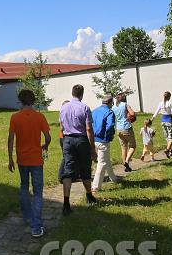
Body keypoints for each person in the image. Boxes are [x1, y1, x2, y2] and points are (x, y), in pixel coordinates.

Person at [8, 89, 52, 237]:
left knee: (24, 186)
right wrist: (45, 146)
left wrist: (10, 158)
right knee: (38, 191)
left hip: (22, 159)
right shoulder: (40, 117)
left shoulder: (15, 117)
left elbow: (10, 139)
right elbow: (47, 136)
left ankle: (27, 217)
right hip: (36, 159)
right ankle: (36, 225)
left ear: (20, 101)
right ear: (33, 101)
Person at [59, 84, 98, 215]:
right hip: (81, 139)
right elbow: (88, 129)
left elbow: (61, 125)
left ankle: (66, 202)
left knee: (68, 169)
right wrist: (92, 148)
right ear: (82, 94)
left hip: (67, 139)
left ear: (72, 93)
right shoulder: (85, 107)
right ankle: (89, 195)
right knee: (85, 167)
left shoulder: (63, 107)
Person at [92, 95, 121, 192]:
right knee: (102, 163)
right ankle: (95, 187)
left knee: (106, 160)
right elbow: (110, 126)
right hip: (103, 140)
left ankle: (114, 178)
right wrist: (110, 136)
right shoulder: (109, 112)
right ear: (111, 103)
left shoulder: (94, 111)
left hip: (93, 139)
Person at [152, 91, 172, 158]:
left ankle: (170, 152)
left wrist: (151, 119)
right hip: (169, 121)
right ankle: (167, 150)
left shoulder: (160, 103)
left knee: (167, 138)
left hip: (163, 122)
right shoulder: (170, 103)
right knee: (171, 138)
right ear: (169, 97)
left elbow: (156, 113)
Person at [112, 93, 137, 172]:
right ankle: (126, 161)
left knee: (123, 147)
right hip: (126, 127)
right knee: (133, 146)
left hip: (119, 129)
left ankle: (126, 167)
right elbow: (132, 113)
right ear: (124, 98)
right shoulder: (125, 104)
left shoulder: (114, 107)